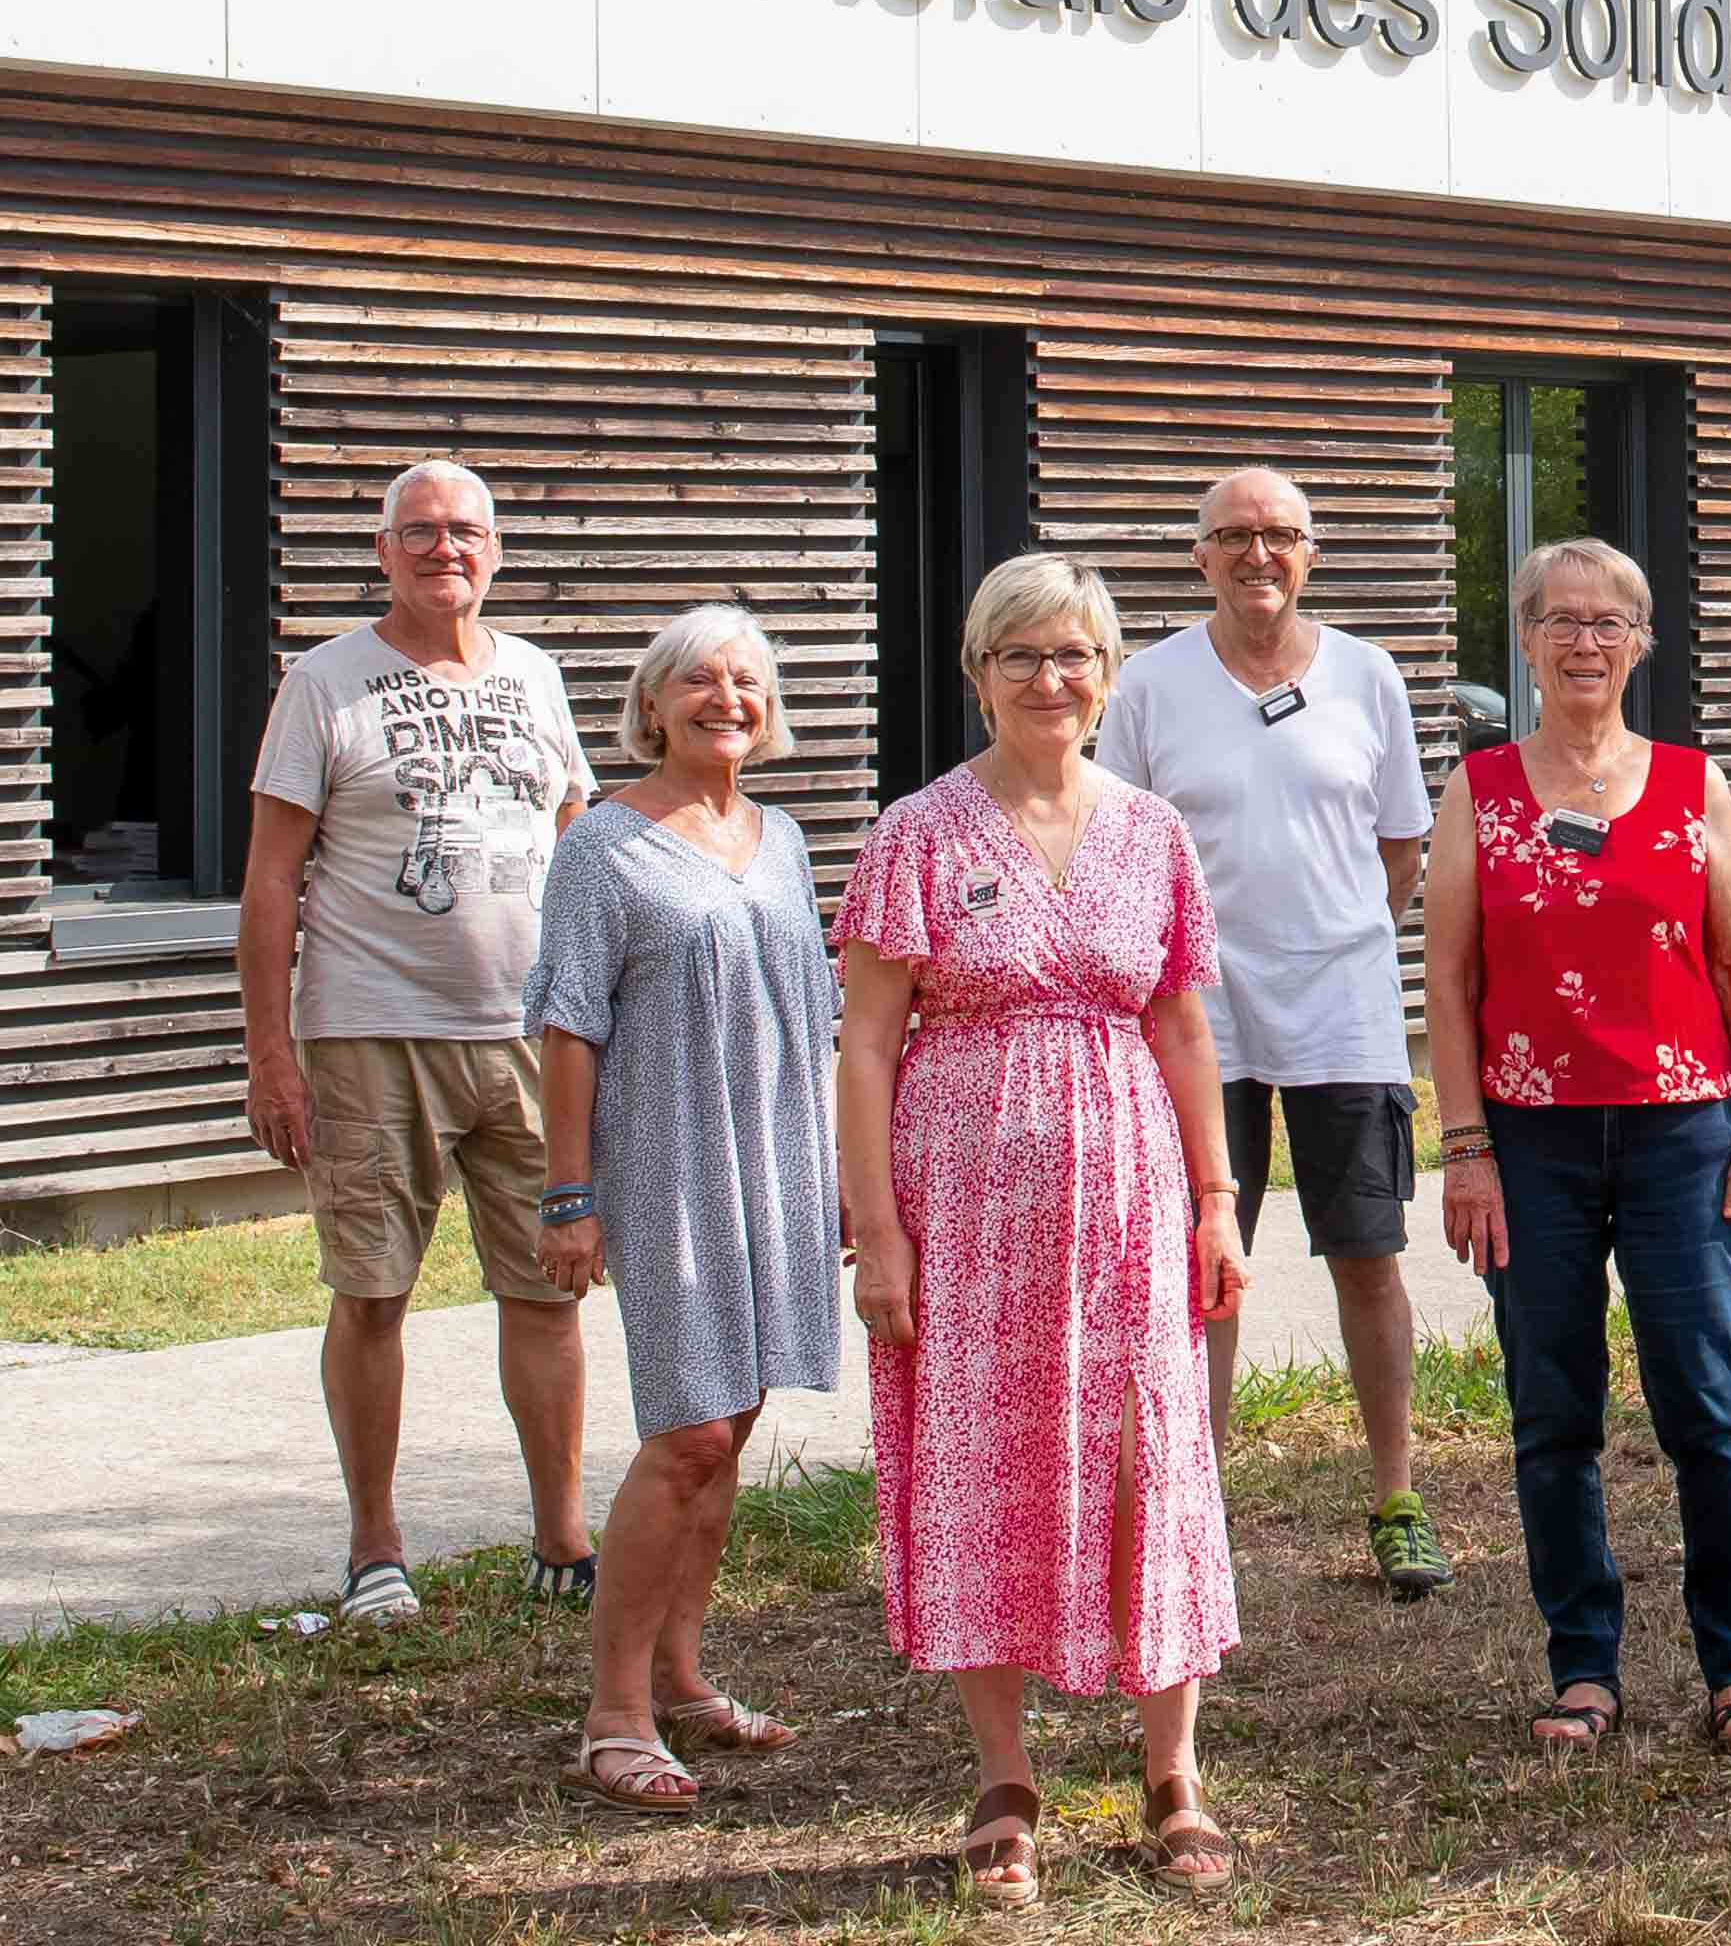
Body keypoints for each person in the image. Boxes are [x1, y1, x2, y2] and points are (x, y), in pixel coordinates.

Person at [831, 555, 1249, 1905]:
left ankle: (1172, 1769)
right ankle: (1004, 1778)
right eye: (1021, 655)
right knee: (985, 1461)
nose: (1049, 679)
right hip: (965, 1215)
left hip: (1132, 1205)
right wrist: (876, 1228)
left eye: (1073, 654)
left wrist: (1218, 1197)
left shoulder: (1152, 832)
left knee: (1152, 1459)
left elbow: (1183, 1024)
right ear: (978, 672)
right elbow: (865, 1045)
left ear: (1108, 674)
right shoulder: (919, 832)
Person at [1423, 536, 1731, 1755]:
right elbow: (1452, 975)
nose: (1585, 642)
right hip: (1528, 1140)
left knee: (1708, 1402)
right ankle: (1583, 1664)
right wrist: (1464, 1145)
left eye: (1609, 622)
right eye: (1561, 621)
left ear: (1643, 642)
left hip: (1683, 1131)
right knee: (1552, 1408)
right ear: (1525, 640)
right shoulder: (1479, 791)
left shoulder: (1695, 784)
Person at [238, 458, 598, 1626]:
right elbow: (270, 878)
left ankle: (561, 1536)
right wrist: (271, 1051)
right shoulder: (325, 682)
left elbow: (581, 852)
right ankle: (376, 1546)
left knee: (549, 1287)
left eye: (468, 532)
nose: (448, 550)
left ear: (496, 551)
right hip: (368, 1029)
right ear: (384, 550)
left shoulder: (537, 675)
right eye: (423, 532)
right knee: (375, 1289)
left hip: (532, 1034)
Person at [1100, 465, 1448, 1599]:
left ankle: (1397, 1494)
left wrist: (1331, 934)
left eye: (1281, 535)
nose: (1259, 554)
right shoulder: (1148, 683)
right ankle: (1193, 1508)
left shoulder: (1368, 674)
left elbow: (1403, 844)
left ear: (1311, 554)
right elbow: (1119, 844)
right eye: (1234, 535)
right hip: (1196, 1012)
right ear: (1198, 554)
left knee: (1369, 1256)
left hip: (1343, 1005)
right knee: (1203, 1263)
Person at [525, 607, 841, 1812]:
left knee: (737, 1422)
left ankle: (682, 1670)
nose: (727, 696)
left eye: (748, 678)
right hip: (662, 1165)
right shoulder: (602, 846)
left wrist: (841, 1173)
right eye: (699, 679)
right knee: (689, 1430)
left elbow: (811, 1013)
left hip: (777, 1160)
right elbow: (568, 1024)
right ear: (651, 703)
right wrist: (570, 1193)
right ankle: (611, 1713)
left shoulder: (782, 836)